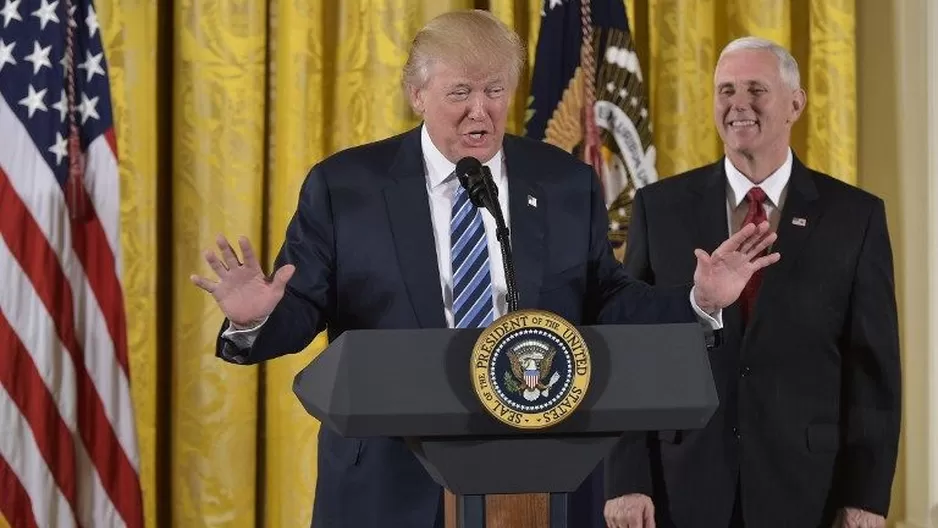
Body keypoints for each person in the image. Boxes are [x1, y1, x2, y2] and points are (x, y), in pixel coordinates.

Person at [190, 12, 780, 528]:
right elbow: (303, 307)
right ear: (416, 94)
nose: (481, 111)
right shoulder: (347, 187)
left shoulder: (563, 182)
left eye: (496, 90)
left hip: (539, 471)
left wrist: (699, 300)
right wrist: (258, 319)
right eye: (461, 93)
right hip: (388, 483)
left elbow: (608, 300)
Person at [602, 36, 901, 528]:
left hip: (809, 488)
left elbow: (873, 371)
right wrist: (626, 479)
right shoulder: (660, 208)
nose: (738, 105)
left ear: (795, 104)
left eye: (756, 89)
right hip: (681, 484)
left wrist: (866, 497)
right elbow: (631, 348)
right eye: (725, 91)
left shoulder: (856, 216)